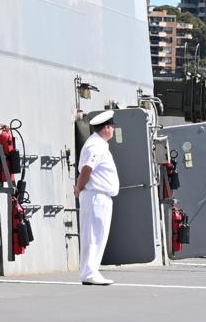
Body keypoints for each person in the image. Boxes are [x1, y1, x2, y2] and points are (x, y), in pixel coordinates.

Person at [75, 110, 120, 285]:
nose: (113, 130)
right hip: (95, 196)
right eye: (112, 127)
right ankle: (89, 273)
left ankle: (92, 271)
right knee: (93, 235)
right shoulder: (96, 145)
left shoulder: (98, 144)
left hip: (100, 196)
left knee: (98, 236)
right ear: (106, 128)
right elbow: (88, 168)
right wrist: (79, 187)